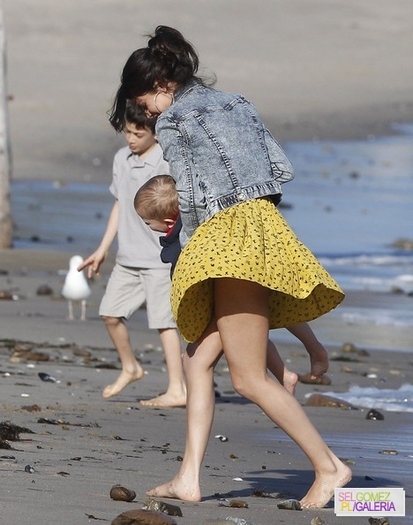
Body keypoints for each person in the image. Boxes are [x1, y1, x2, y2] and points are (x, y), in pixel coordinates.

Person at [108, 26, 352, 508]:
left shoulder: (175, 121)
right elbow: (279, 168)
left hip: (225, 237)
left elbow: (194, 198)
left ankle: (330, 468)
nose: (148, 114)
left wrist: (197, 252)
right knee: (200, 362)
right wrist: (255, 212)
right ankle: (188, 479)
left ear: (161, 85)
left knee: (247, 379)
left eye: (145, 103)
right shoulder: (237, 102)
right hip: (263, 223)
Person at [135, 174, 331, 384]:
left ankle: (293, 367)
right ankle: (291, 369)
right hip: (237, 268)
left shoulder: (184, 234)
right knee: (255, 323)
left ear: (167, 221)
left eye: (148, 223)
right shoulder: (202, 213)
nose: (149, 228)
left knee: (203, 356)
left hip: (220, 285)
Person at [78, 102, 186, 407]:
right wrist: (103, 248)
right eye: (127, 132)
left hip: (157, 260)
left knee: (165, 323)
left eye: (138, 133)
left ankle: (178, 388)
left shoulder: (164, 163)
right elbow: (120, 203)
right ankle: (131, 367)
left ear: (154, 133)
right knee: (110, 313)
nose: (131, 139)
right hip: (127, 257)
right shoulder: (121, 159)